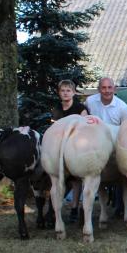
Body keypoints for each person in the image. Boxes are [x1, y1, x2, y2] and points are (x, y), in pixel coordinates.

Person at [50, 79, 88, 223]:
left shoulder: (80, 108)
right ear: (59, 93)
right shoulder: (56, 109)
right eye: (63, 91)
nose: (65, 93)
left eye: (68, 90)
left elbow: (84, 128)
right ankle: (55, 210)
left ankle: (74, 208)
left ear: (73, 92)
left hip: (76, 147)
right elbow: (53, 129)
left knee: (77, 180)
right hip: (59, 148)